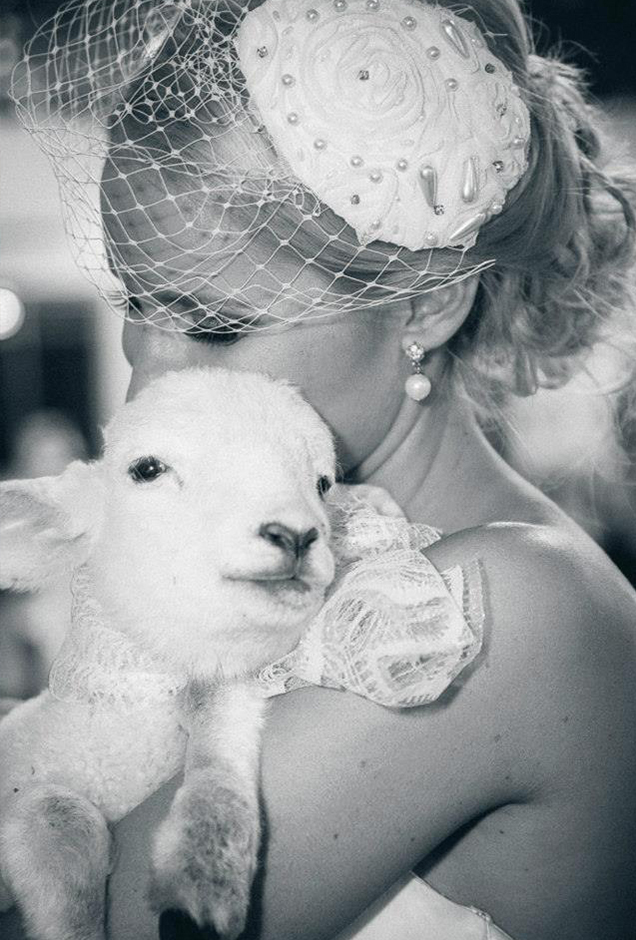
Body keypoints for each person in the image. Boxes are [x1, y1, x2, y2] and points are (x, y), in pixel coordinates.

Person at [4, 1, 636, 938]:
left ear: (428, 309)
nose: (153, 368)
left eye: (217, 324)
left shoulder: (491, 609)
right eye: (140, 301)